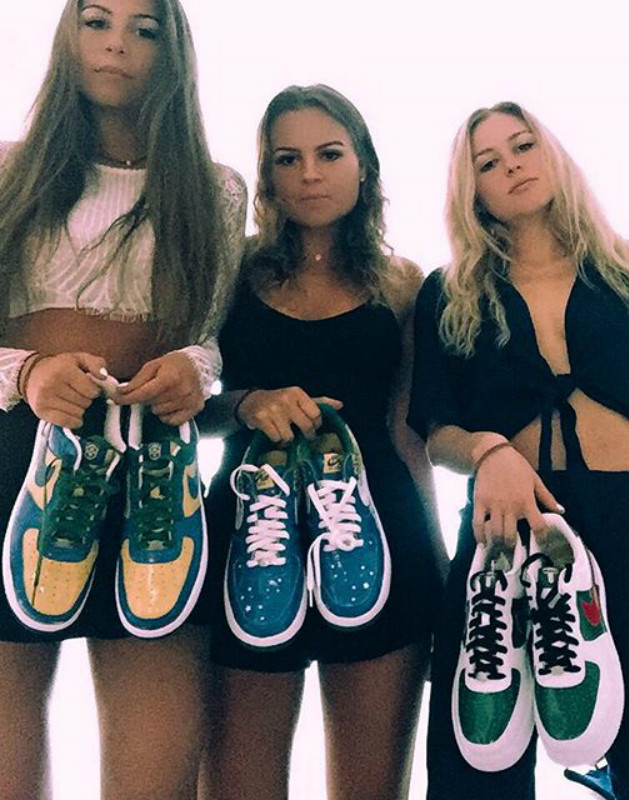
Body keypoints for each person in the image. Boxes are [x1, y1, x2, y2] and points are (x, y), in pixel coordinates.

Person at [408, 101, 629, 799]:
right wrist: (490, 451)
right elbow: (437, 436)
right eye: (488, 163)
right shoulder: (449, 293)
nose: (511, 165)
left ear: (551, 151)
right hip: (507, 535)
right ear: (472, 191)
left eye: (523, 145)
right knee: (478, 762)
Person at [0, 1, 246, 797]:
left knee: (158, 770)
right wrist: (28, 373)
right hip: (16, 457)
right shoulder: (7, 171)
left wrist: (194, 367)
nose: (117, 45)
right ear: (67, 36)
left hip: (155, 471)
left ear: (172, 53)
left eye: (145, 30)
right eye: (97, 21)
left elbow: (209, 336)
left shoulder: (215, 189)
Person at [199, 84, 445, 800]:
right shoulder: (230, 271)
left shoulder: (404, 283)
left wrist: (436, 568)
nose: (309, 173)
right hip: (249, 541)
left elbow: (409, 435)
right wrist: (248, 403)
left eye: (329, 154)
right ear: (267, 174)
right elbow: (187, 410)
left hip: (382, 538)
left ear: (364, 164)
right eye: (288, 158)